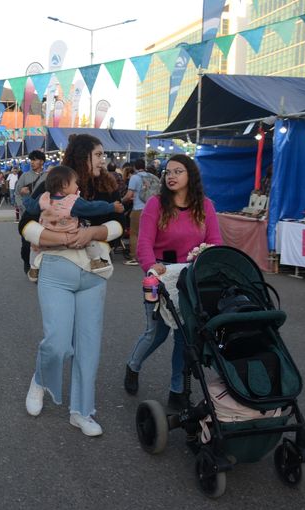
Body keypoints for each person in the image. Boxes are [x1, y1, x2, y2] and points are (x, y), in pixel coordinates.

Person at [20, 134, 123, 437]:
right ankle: (40, 378)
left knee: (88, 347)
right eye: (99, 155)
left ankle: (82, 411)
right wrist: (61, 239)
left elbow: (119, 224)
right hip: (56, 268)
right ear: (82, 156)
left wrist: (95, 233)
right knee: (57, 342)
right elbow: (25, 224)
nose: (103, 160)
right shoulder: (54, 182)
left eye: (104, 155)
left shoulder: (107, 186)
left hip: (94, 272)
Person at [124, 154, 223, 410]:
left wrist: (211, 264)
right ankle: (133, 366)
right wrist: (151, 267)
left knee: (185, 336)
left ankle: (177, 390)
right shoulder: (156, 204)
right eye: (168, 172)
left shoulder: (205, 205)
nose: (171, 176)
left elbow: (215, 242)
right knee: (156, 333)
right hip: (161, 273)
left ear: (191, 175)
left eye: (178, 171)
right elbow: (144, 242)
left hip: (190, 277)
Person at [22, 165, 124, 274]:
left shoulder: (43, 198)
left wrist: (26, 196)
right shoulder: (72, 201)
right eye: (75, 183)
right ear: (65, 185)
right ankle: (96, 261)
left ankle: (34, 268)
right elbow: (93, 207)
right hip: (71, 237)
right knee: (90, 239)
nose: (77, 186)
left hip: (47, 239)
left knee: (34, 246)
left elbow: (31, 208)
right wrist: (111, 207)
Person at [16, 150, 48, 280]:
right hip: (28, 214)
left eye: (35, 160)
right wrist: (23, 207)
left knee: (42, 242)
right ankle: (26, 262)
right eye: (31, 160)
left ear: (42, 162)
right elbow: (17, 193)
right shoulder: (24, 176)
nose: (32, 163)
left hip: (42, 215)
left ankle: (38, 267)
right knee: (26, 243)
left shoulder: (47, 176)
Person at [122, 159, 159, 266]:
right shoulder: (153, 177)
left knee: (134, 233)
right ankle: (150, 256)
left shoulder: (135, 177)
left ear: (134, 167)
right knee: (150, 234)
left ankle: (134, 257)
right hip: (154, 209)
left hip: (139, 209)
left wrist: (121, 200)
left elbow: (129, 195)